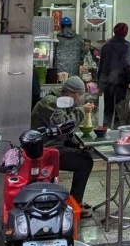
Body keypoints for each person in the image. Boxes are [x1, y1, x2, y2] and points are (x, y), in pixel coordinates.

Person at [29, 76, 96, 216]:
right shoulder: (50, 103)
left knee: (83, 155)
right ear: (70, 93)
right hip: (45, 151)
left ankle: (75, 200)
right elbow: (63, 126)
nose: (78, 100)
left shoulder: (61, 102)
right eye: (78, 95)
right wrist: (82, 111)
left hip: (53, 146)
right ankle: (75, 204)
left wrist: (77, 145)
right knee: (85, 162)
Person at [97, 23, 130, 127]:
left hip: (108, 82)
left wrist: (99, 85)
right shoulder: (126, 46)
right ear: (125, 33)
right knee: (120, 110)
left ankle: (105, 132)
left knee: (108, 110)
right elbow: (126, 64)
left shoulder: (106, 46)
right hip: (121, 82)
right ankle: (118, 134)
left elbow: (101, 66)